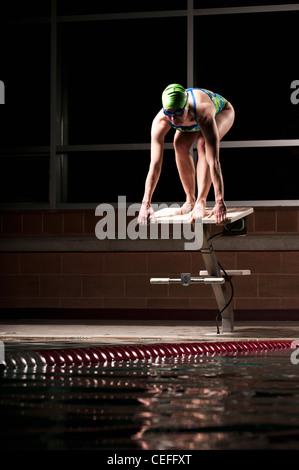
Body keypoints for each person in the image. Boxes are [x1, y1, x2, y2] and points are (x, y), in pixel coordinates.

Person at [137, 83, 235, 225]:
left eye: (177, 113)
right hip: (191, 119)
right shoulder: (160, 121)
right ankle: (190, 200)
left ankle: (201, 200)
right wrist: (145, 203)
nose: (172, 119)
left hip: (221, 111)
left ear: (186, 107)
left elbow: (214, 161)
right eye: (168, 113)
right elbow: (155, 164)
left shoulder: (203, 111)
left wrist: (219, 201)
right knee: (179, 145)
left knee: (203, 145)